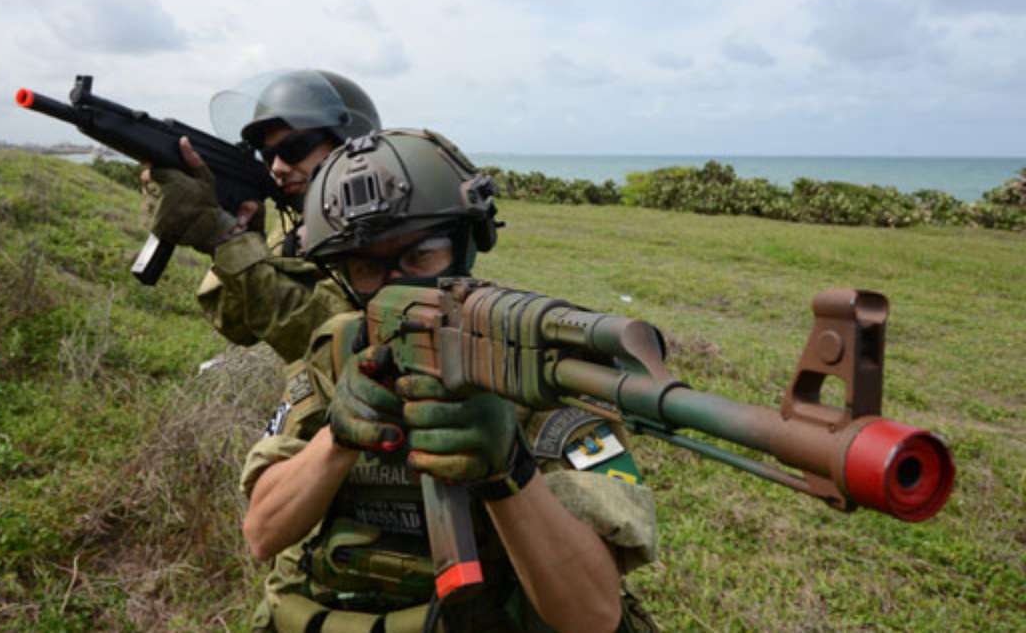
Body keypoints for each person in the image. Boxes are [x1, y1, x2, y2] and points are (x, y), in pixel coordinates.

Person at [240, 129, 659, 632]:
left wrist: (509, 472)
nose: (399, 286)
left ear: (465, 246)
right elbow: (262, 534)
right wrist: (338, 437)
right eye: (368, 267)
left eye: (421, 257)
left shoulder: (534, 360)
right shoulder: (337, 350)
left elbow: (591, 616)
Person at [142, 70, 381, 363]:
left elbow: (337, 343)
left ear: (350, 142)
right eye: (268, 156)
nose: (277, 167)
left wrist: (225, 240)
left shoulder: (386, 223)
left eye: (295, 148)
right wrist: (240, 235)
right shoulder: (296, 225)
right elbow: (235, 324)